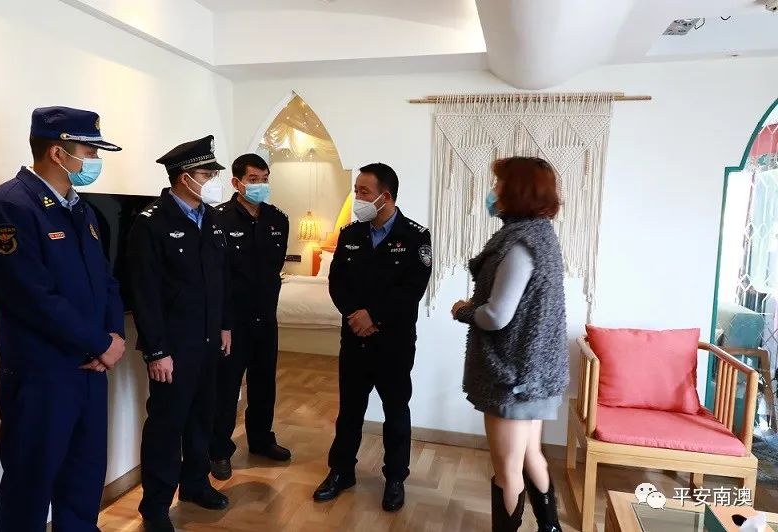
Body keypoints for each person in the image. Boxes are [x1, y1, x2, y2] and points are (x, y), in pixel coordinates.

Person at [0, 106, 126, 531]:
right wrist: (100, 343)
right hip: (43, 376)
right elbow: (31, 298)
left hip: (91, 371)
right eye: (90, 151)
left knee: (84, 477)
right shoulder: (9, 207)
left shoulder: (82, 210)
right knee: (30, 483)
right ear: (59, 153)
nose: (95, 160)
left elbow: (106, 281)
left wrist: (113, 335)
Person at [451, 157, 568, 532]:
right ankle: (550, 528)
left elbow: (496, 316)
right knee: (532, 455)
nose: (493, 191)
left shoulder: (519, 243)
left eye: (498, 184)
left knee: (507, 471)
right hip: (535, 374)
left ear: (516, 190)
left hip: (512, 377)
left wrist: (464, 310)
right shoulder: (542, 235)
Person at [313, 163, 432, 512]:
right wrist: (355, 315)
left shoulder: (415, 236)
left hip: (393, 343)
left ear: (386, 196)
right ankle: (341, 471)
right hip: (354, 339)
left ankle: (395, 478)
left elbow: (412, 289)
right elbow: (337, 282)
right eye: (356, 190)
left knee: (395, 411)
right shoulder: (351, 234)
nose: (357, 198)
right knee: (349, 410)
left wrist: (373, 316)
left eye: (364, 191)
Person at [128, 135, 231, 532]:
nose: (212, 181)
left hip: (208, 342)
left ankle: (195, 484)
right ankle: (155, 507)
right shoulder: (151, 222)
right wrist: (156, 351)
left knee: (202, 419)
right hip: (173, 348)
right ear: (185, 177)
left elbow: (219, 281)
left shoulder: (212, 219)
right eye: (207, 174)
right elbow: (145, 292)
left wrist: (224, 326)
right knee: (166, 428)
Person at [209, 153, 291, 480]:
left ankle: (260, 439)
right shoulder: (218, 219)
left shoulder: (278, 219)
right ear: (237, 182)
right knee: (227, 387)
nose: (260, 185)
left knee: (264, 382)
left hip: (265, 317)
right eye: (253, 179)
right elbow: (217, 276)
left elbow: (274, 269)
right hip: (232, 322)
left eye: (265, 179)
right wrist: (223, 322)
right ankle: (219, 449)